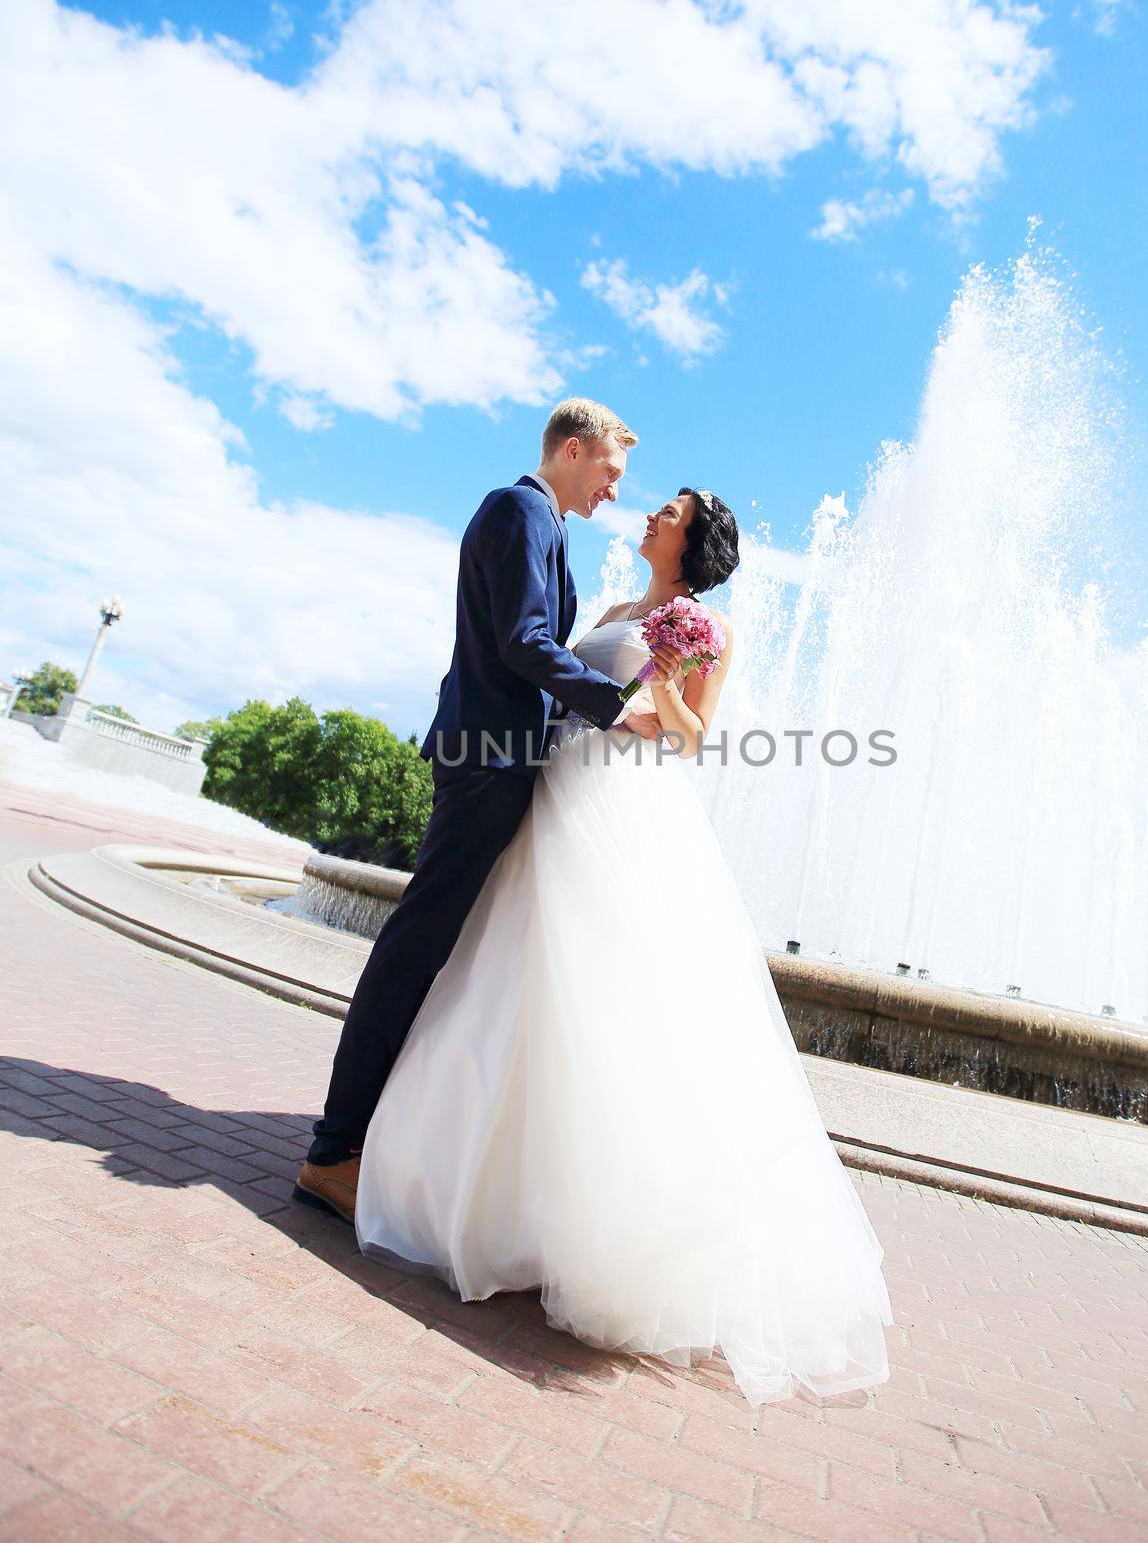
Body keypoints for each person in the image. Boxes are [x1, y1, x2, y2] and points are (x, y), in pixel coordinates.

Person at [352, 484, 895, 1409]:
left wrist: (659, 685)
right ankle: (475, 1191)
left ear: (694, 538)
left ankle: (587, 1229)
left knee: (602, 1004)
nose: (651, 516)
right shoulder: (610, 609)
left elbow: (690, 737)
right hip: (551, 793)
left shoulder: (703, 628)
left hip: (620, 809)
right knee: (506, 983)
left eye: (671, 511)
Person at [295, 398, 661, 1217]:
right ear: (572, 450)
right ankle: (334, 1150)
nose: (614, 489)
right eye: (610, 470)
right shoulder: (521, 510)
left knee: (433, 949)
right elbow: (523, 642)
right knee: (413, 948)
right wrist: (614, 706)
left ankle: (368, 1133)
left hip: (497, 757)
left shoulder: (539, 521)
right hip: (486, 761)